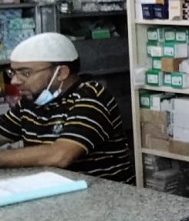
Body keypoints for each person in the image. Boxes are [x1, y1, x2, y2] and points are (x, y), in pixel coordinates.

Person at [0, 33, 134, 183]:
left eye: (25, 73)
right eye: (12, 72)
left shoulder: (91, 98)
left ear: (61, 72)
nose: (14, 81)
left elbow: (61, 155)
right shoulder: (31, 101)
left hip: (99, 192)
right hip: (52, 187)